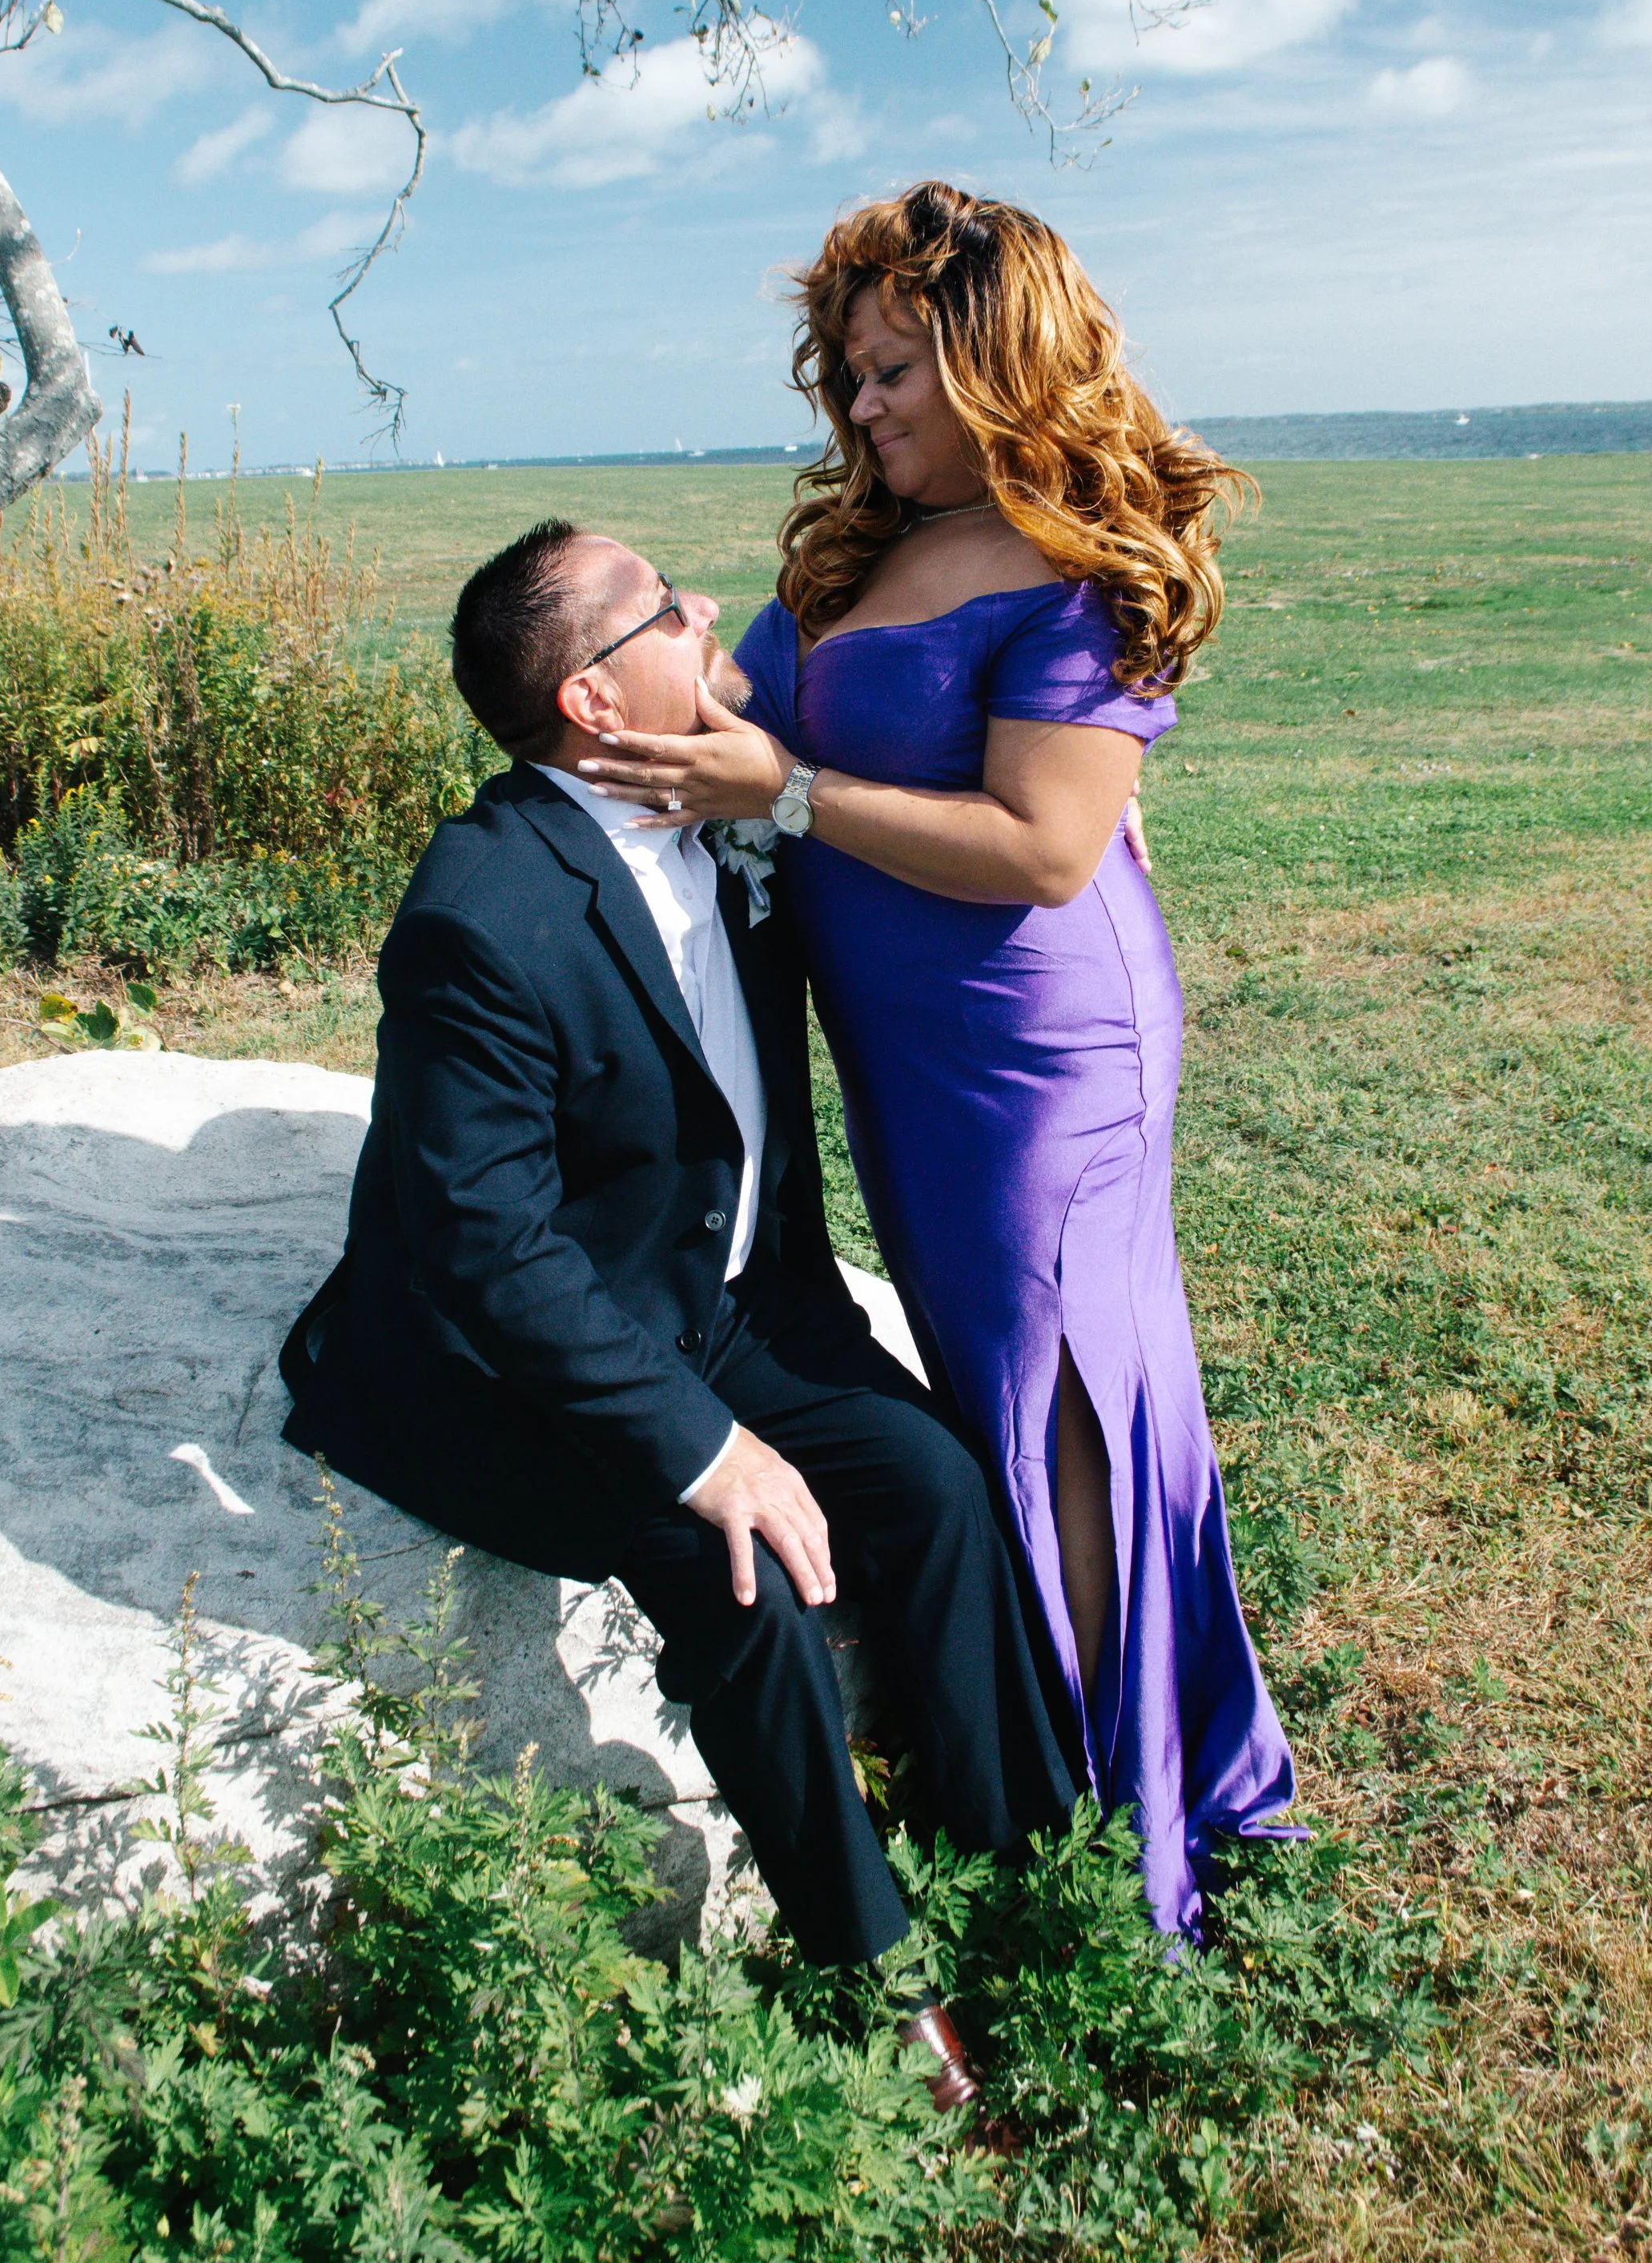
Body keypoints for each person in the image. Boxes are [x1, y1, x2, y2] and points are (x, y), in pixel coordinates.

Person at [575, 182, 1298, 1941]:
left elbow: (1045, 848)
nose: (863, 402)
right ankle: (1081, 1747)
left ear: (998, 360)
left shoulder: (1075, 571)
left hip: (1044, 1054)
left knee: (1062, 1402)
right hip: (910, 1060)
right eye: (849, 371)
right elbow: (740, 712)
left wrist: (787, 792)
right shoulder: (861, 548)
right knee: (994, 1388)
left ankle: (1128, 1833)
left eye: (896, 368)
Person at [278, 517, 1077, 2096]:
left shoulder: (724, 808)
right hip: (527, 1361)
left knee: (932, 1483)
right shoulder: (480, 912)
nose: (707, 605)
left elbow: (959, 834)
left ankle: (1028, 1879)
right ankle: (887, 1992)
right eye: (661, 605)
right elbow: (485, 1245)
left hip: (722, 1299)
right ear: (591, 699)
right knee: (743, 1582)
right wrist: (703, 1448)